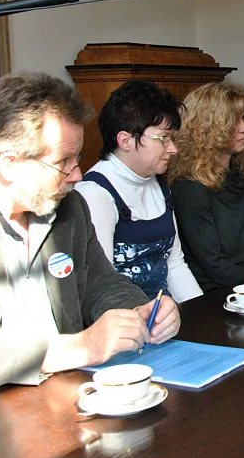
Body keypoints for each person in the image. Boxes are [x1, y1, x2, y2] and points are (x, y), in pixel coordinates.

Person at [0, 72, 180, 388]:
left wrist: (141, 311)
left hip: (65, 395)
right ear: (8, 162)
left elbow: (101, 283)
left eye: (77, 157)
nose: (77, 174)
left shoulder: (69, 208)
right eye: (62, 161)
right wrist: (80, 347)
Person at [75, 80, 202, 303]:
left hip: (165, 315)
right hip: (125, 320)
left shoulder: (158, 183)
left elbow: (174, 264)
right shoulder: (95, 193)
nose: (173, 149)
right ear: (125, 140)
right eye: (163, 138)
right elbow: (101, 285)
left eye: (172, 138)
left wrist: (199, 313)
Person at [169, 82, 244, 292]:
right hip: (213, 293)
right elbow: (213, 263)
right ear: (208, 128)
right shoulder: (190, 187)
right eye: (233, 121)